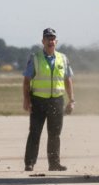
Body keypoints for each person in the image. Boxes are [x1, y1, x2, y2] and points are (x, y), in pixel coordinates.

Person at [23, 27, 74, 172]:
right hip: (38, 100)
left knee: (55, 134)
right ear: (43, 41)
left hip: (57, 100)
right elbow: (26, 81)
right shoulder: (35, 58)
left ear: (56, 41)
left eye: (52, 39)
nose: (50, 41)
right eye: (48, 38)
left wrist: (72, 100)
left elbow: (68, 80)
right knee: (35, 132)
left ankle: (54, 163)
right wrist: (26, 100)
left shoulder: (62, 58)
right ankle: (30, 162)